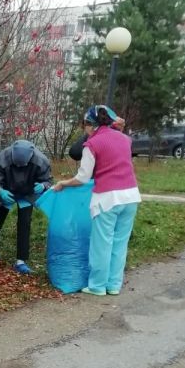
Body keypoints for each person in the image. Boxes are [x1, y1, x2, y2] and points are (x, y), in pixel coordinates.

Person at [53, 105, 141, 296]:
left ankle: (97, 286)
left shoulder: (92, 145)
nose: (84, 129)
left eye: (85, 125)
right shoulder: (125, 140)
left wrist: (63, 183)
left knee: (102, 244)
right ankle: (114, 285)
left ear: (90, 125)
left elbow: (83, 178)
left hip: (107, 199)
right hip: (131, 196)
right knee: (120, 243)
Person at [0, 140, 52, 274]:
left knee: (24, 224)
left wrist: (43, 186)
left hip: (28, 194)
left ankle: (21, 261)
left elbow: (48, 180)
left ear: (31, 157)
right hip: (6, 191)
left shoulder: (41, 161)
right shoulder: (2, 158)